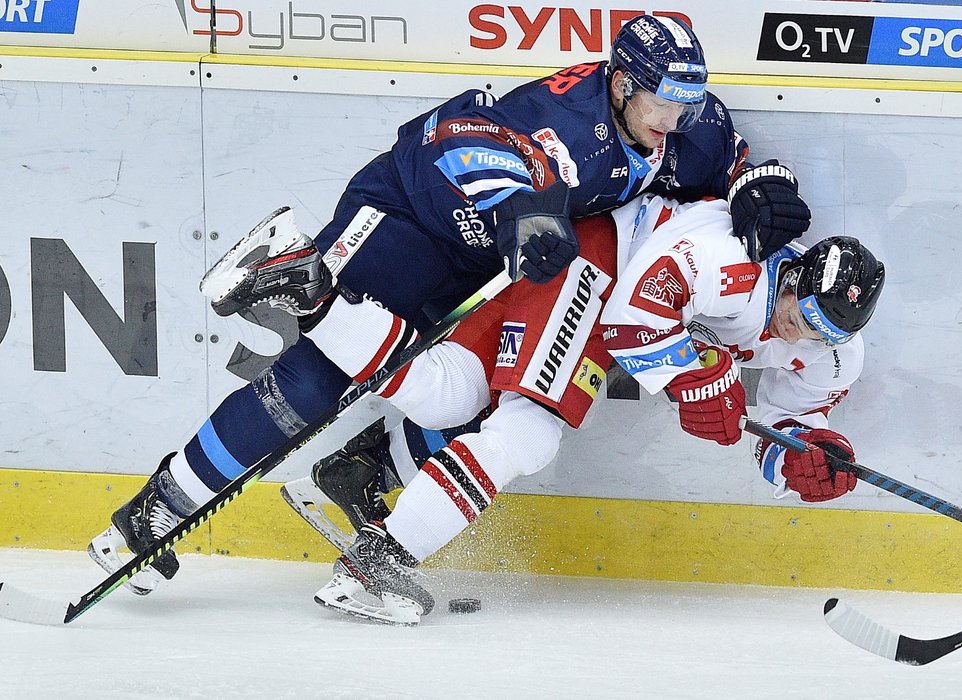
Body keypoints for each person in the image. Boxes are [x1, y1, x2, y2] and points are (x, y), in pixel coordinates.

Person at [86, 14, 811, 597]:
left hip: (474, 264)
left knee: (469, 394)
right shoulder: (564, 126)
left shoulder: (681, 122)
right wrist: (523, 210)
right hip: (407, 218)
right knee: (312, 385)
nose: (677, 118)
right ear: (622, 83)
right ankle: (160, 504)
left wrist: (761, 184)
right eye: (664, 102)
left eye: (687, 104)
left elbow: (734, 156)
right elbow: (453, 137)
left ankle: (363, 470)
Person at [282, 191, 884, 626]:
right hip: (594, 258)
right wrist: (695, 379)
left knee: (454, 393)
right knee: (526, 435)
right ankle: (374, 565)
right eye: (801, 314)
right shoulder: (731, 262)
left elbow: (785, 427)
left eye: (822, 335)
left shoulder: (834, 356)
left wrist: (802, 458)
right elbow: (631, 320)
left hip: (606, 289)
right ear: (795, 275)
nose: (799, 335)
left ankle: (329, 352)